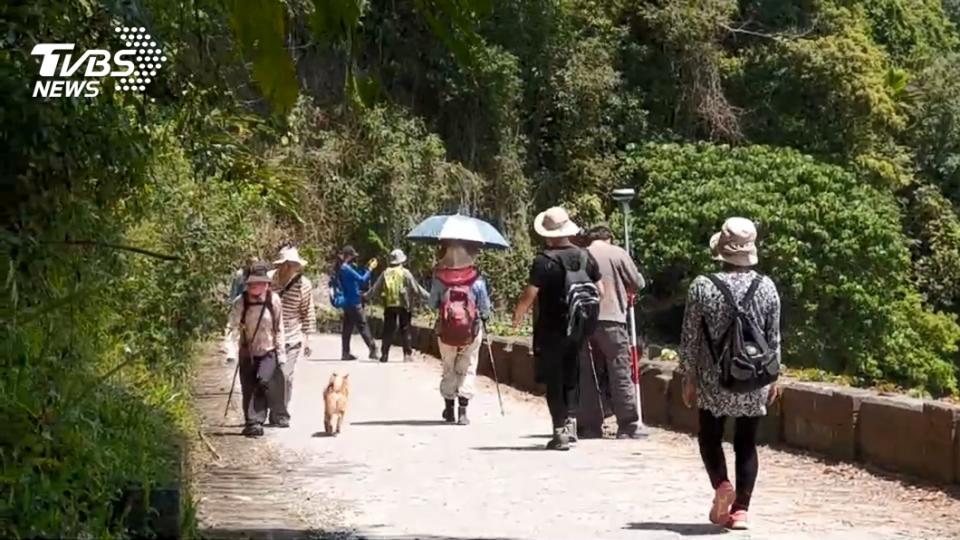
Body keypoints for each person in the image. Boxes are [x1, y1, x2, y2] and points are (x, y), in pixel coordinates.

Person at [679, 217, 782, 530]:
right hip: (753, 374)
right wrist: (775, 377)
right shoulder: (766, 286)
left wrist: (688, 377)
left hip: (714, 376)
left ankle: (722, 485)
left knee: (709, 435)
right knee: (746, 442)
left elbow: (690, 337)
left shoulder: (703, 285)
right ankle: (741, 511)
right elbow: (774, 336)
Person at [513, 207, 603, 451]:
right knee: (572, 375)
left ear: (548, 234)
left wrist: (517, 317)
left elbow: (530, 294)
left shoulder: (544, 261)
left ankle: (559, 431)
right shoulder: (585, 257)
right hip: (577, 328)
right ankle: (572, 424)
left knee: (555, 380)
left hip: (552, 328)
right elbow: (600, 291)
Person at [578, 224, 646, 439]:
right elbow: (637, 282)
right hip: (612, 318)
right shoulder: (618, 253)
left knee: (588, 374)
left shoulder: (581, 255)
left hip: (584, 320)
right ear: (610, 238)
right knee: (620, 371)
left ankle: (590, 426)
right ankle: (627, 425)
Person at [429, 240, 492, 425]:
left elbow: (432, 304)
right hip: (471, 332)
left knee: (448, 368)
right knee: (468, 368)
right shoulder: (477, 280)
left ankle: (449, 411)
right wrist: (484, 317)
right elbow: (485, 309)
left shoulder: (440, 279)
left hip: (445, 333)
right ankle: (463, 412)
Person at [223, 261, 287, 437]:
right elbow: (231, 327)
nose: (256, 286)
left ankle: (260, 418)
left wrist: (281, 354)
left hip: (268, 349)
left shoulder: (274, 300)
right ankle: (253, 423)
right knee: (248, 386)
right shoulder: (240, 302)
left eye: (260, 282)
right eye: (252, 283)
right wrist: (229, 351)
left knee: (263, 381)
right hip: (247, 351)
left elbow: (279, 327)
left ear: (267, 284)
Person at [269, 246, 317, 427]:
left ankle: (281, 413)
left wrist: (308, 338)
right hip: (269, 336)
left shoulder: (304, 284)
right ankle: (274, 410)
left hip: (291, 336)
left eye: (293, 265)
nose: (289, 268)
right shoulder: (267, 280)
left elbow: (308, 311)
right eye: (287, 264)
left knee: (285, 375)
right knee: (270, 376)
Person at [366, 248, 429, 363]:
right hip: (404, 305)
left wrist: (366, 296)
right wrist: (430, 297)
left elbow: (375, 289)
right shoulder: (405, 273)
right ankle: (407, 355)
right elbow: (416, 289)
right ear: (401, 261)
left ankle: (384, 354)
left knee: (388, 329)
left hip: (389, 304)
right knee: (405, 329)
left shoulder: (385, 273)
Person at [332, 245, 379, 360]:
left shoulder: (341, 268)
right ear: (348, 256)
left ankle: (345, 352)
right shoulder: (346, 268)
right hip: (354, 301)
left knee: (347, 328)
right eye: (352, 256)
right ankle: (372, 349)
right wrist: (370, 270)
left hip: (347, 302)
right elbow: (362, 280)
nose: (353, 259)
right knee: (363, 325)